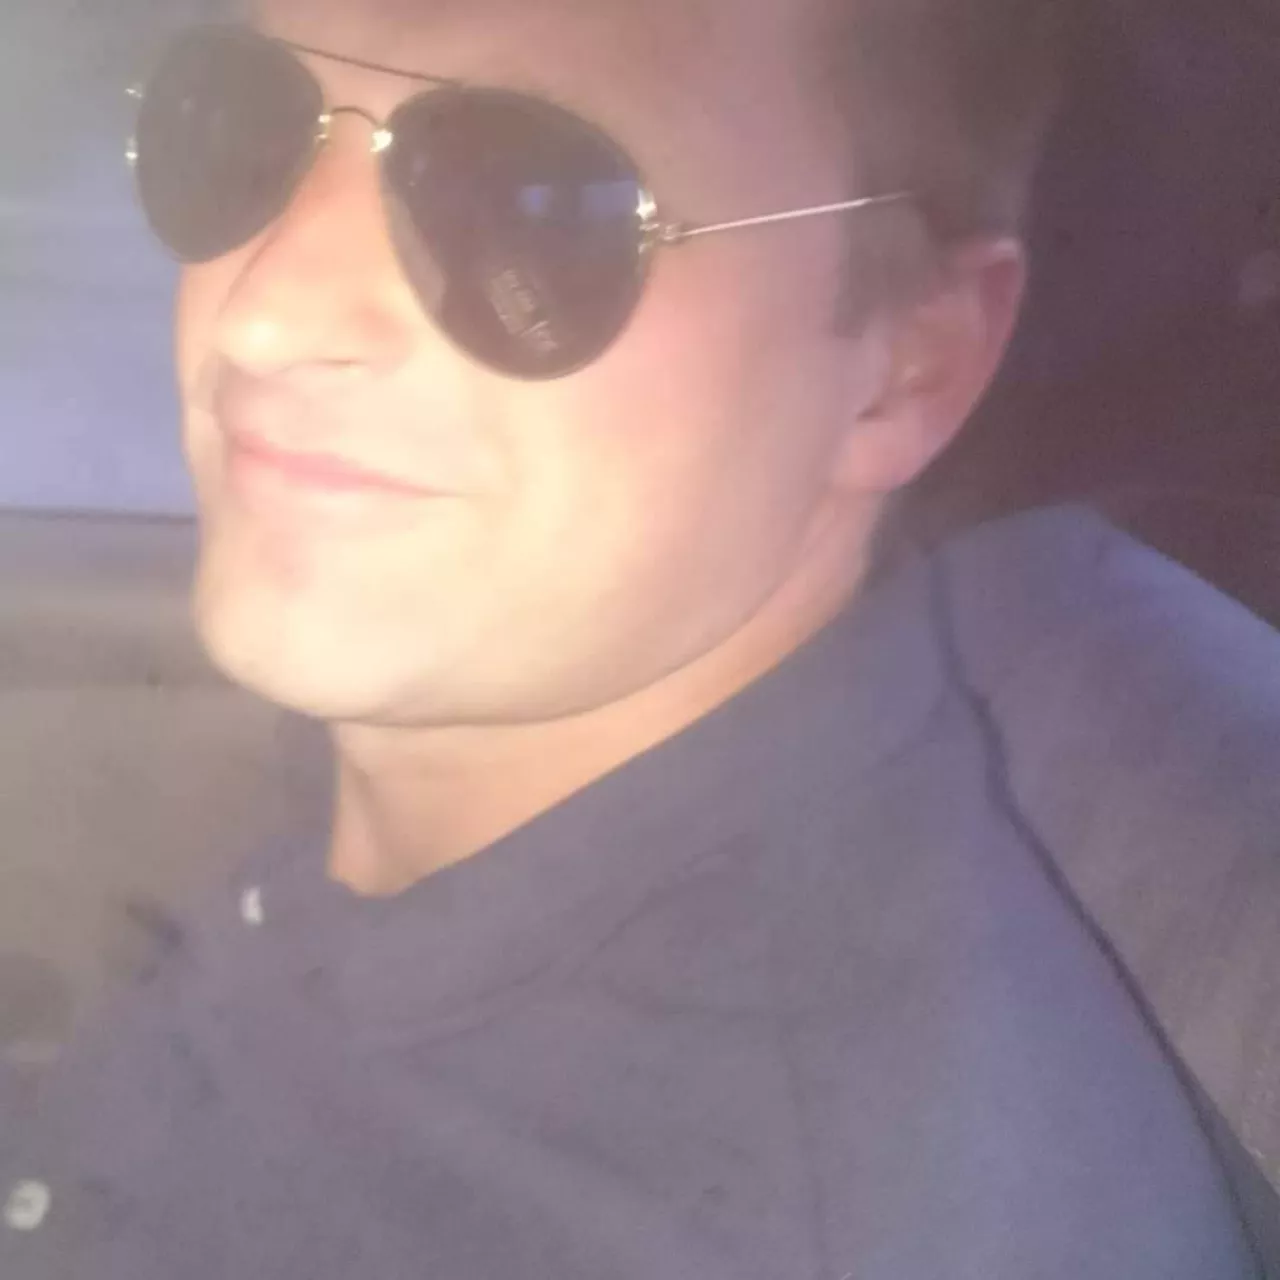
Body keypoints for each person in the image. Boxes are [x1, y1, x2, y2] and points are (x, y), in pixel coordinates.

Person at [2, 0, 1277, 1274]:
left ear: (905, 366)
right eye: (242, 128)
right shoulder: (482, 703)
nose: (262, 316)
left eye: (534, 199)